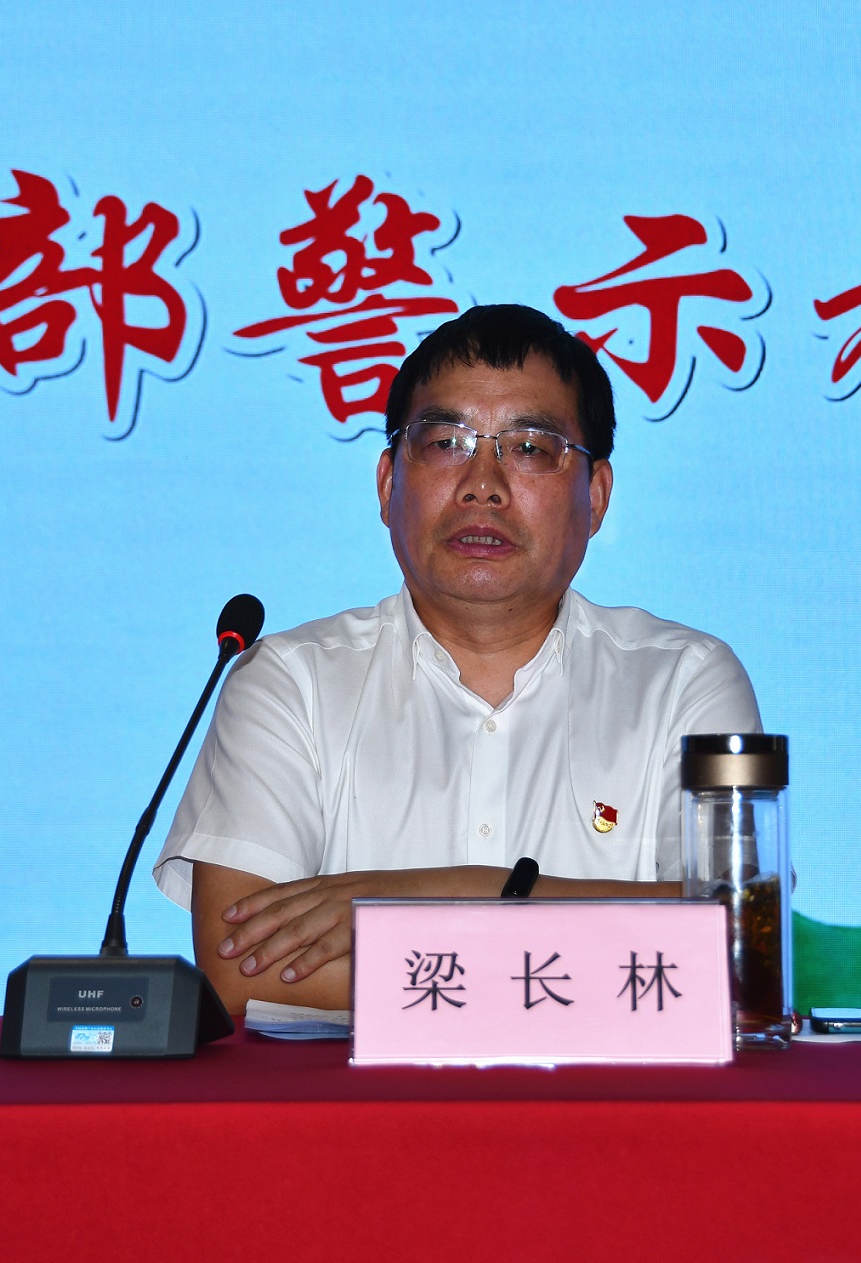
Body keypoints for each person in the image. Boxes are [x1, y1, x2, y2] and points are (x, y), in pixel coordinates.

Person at [152, 304, 761, 1014]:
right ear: (388, 484)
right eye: (446, 442)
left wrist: (464, 891)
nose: (482, 484)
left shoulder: (684, 681)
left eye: (529, 447)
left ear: (596, 497)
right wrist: (591, 949)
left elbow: (733, 951)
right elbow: (242, 970)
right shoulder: (289, 683)